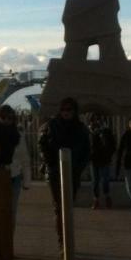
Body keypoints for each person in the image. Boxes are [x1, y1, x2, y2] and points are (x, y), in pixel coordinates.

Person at [38, 97, 90, 247]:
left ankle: (67, 239)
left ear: (74, 111)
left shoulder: (81, 128)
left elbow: (87, 151)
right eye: (63, 109)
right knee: (59, 207)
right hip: (54, 172)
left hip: (73, 172)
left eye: (69, 110)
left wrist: (79, 167)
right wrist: (50, 162)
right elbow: (41, 145)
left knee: (68, 207)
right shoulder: (52, 125)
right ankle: (63, 242)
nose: (66, 113)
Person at [89, 113, 117, 209]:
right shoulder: (90, 132)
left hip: (104, 160)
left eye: (99, 120)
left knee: (105, 180)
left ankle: (107, 197)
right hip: (94, 160)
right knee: (95, 181)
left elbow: (113, 145)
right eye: (94, 120)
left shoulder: (106, 131)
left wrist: (108, 154)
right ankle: (96, 200)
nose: (97, 122)